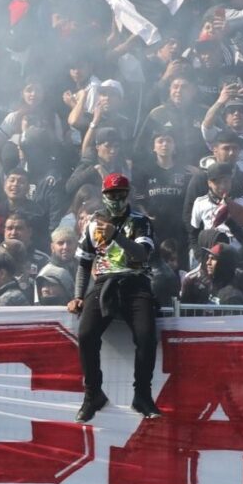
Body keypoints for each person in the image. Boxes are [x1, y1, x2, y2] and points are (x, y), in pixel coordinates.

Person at [68, 174, 160, 422]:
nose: (116, 200)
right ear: (104, 195)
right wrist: (78, 296)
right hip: (104, 282)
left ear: (128, 195)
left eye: (121, 194)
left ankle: (142, 395)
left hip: (135, 280)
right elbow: (84, 263)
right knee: (86, 334)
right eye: (111, 195)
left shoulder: (141, 222)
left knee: (146, 337)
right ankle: (93, 394)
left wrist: (116, 236)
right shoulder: (93, 223)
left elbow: (142, 254)